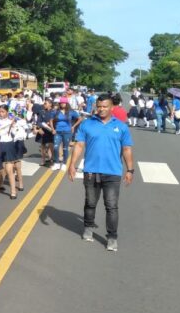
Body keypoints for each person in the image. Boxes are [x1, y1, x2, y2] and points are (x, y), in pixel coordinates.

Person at [67, 94, 134, 252]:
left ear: (112, 107)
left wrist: (130, 170)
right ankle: (88, 228)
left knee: (111, 206)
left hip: (112, 173)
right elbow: (79, 146)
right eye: (99, 106)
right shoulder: (87, 124)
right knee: (90, 202)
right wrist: (72, 164)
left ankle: (112, 237)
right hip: (91, 171)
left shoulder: (121, 126)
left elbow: (127, 149)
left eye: (105, 106)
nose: (102, 109)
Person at [50, 97, 81, 171]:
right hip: (58, 132)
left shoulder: (71, 112)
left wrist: (73, 126)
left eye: (64, 103)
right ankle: (57, 163)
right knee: (56, 147)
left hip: (67, 132)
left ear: (67, 103)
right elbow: (51, 120)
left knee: (65, 148)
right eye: (61, 103)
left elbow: (80, 119)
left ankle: (64, 163)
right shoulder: (56, 112)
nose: (62, 104)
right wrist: (52, 129)